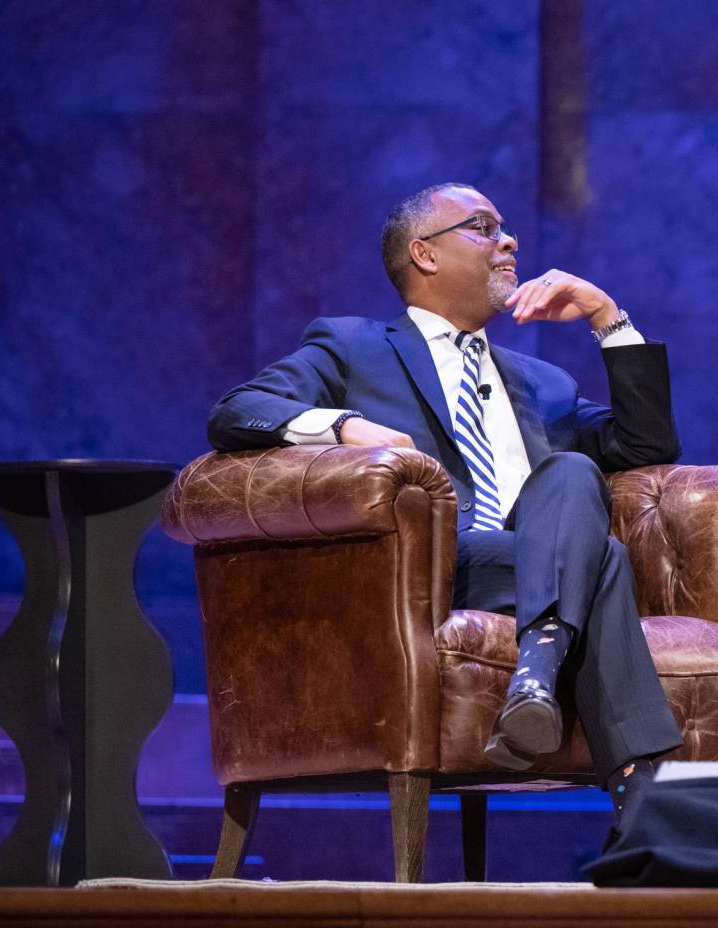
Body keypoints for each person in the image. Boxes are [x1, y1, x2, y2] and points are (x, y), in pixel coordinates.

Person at [207, 182, 683, 837]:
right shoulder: (354, 347)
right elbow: (237, 411)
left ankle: (536, 675)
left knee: (573, 477)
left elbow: (648, 444)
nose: (509, 240)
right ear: (423, 254)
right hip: (432, 563)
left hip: (542, 559)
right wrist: (345, 426)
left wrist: (609, 317)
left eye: (506, 228)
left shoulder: (544, 382)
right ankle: (641, 803)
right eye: (484, 227)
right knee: (601, 557)